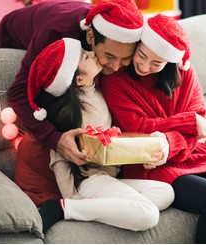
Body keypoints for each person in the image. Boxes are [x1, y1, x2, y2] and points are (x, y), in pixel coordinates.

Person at [100, 14, 206, 243]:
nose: (145, 66)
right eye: (142, 55)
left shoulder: (184, 71)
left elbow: (201, 123)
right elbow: (137, 127)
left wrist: (175, 138)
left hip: (187, 152)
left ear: (170, 61)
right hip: (148, 161)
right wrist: (188, 122)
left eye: (156, 63)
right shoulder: (115, 79)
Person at [0, 0, 144, 232]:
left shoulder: (116, 42)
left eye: (126, 59)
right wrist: (56, 139)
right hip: (5, 37)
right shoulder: (57, 33)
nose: (116, 67)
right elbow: (19, 93)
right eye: (109, 57)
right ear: (90, 38)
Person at [18, 37, 174, 231]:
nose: (93, 53)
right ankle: (67, 208)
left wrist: (114, 137)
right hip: (87, 181)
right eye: (85, 56)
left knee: (165, 192)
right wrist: (70, 195)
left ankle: (100, 208)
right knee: (148, 215)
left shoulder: (98, 90)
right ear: (79, 79)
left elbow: (104, 134)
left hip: (107, 177)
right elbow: (58, 155)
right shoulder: (69, 112)